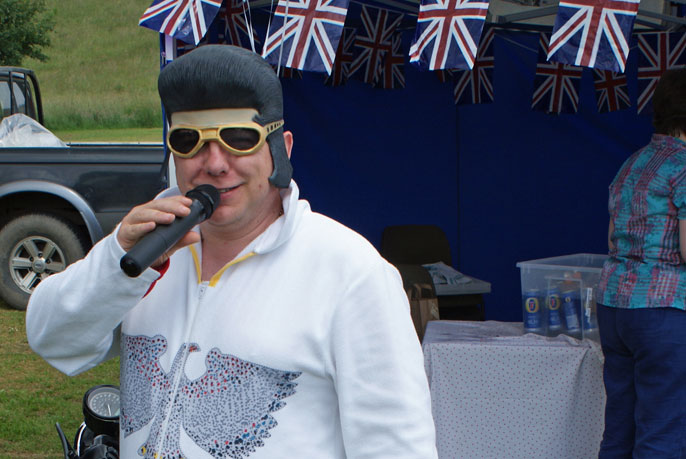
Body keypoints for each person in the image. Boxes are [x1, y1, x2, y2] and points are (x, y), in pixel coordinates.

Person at [26, 45, 437, 459]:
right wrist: (116, 265)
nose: (216, 163)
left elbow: (398, 448)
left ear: (281, 149)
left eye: (239, 139)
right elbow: (52, 339)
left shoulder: (350, 272)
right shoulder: (149, 249)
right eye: (189, 141)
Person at [596, 67, 686, 459]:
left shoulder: (632, 162)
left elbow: (612, 238)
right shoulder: (684, 167)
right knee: (663, 432)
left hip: (614, 305)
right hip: (663, 309)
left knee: (619, 429)